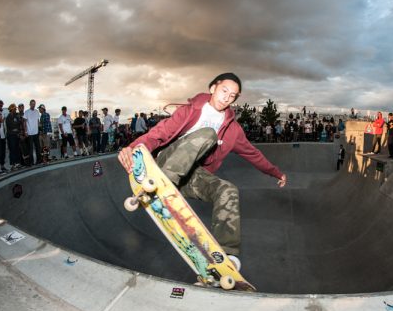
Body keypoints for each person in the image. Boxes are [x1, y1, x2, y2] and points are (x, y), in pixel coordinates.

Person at [118, 72, 287, 263]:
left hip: (190, 177)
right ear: (213, 88)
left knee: (228, 190)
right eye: (224, 90)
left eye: (233, 96)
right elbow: (160, 133)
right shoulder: (190, 111)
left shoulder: (233, 131)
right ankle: (163, 183)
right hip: (166, 164)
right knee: (208, 134)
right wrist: (133, 148)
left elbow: (253, 154)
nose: (227, 97)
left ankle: (226, 257)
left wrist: (275, 172)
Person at [5, 103, 23, 169]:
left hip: (16, 135)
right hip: (11, 136)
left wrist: (17, 129)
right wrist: (15, 128)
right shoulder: (8, 117)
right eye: (15, 109)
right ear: (11, 109)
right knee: (12, 150)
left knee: (17, 149)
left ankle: (18, 163)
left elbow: (19, 124)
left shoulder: (16, 116)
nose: (16, 110)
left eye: (16, 109)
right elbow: (11, 126)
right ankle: (13, 164)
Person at [24, 99, 42, 164]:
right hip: (30, 133)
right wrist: (25, 131)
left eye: (34, 104)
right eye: (32, 104)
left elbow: (38, 121)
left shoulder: (37, 112)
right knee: (31, 148)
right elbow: (24, 122)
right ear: (30, 104)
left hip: (36, 132)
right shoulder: (26, 112)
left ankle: (39, 160)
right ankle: (31, 162)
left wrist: (40, 130)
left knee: (38, 147)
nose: (33, 105)